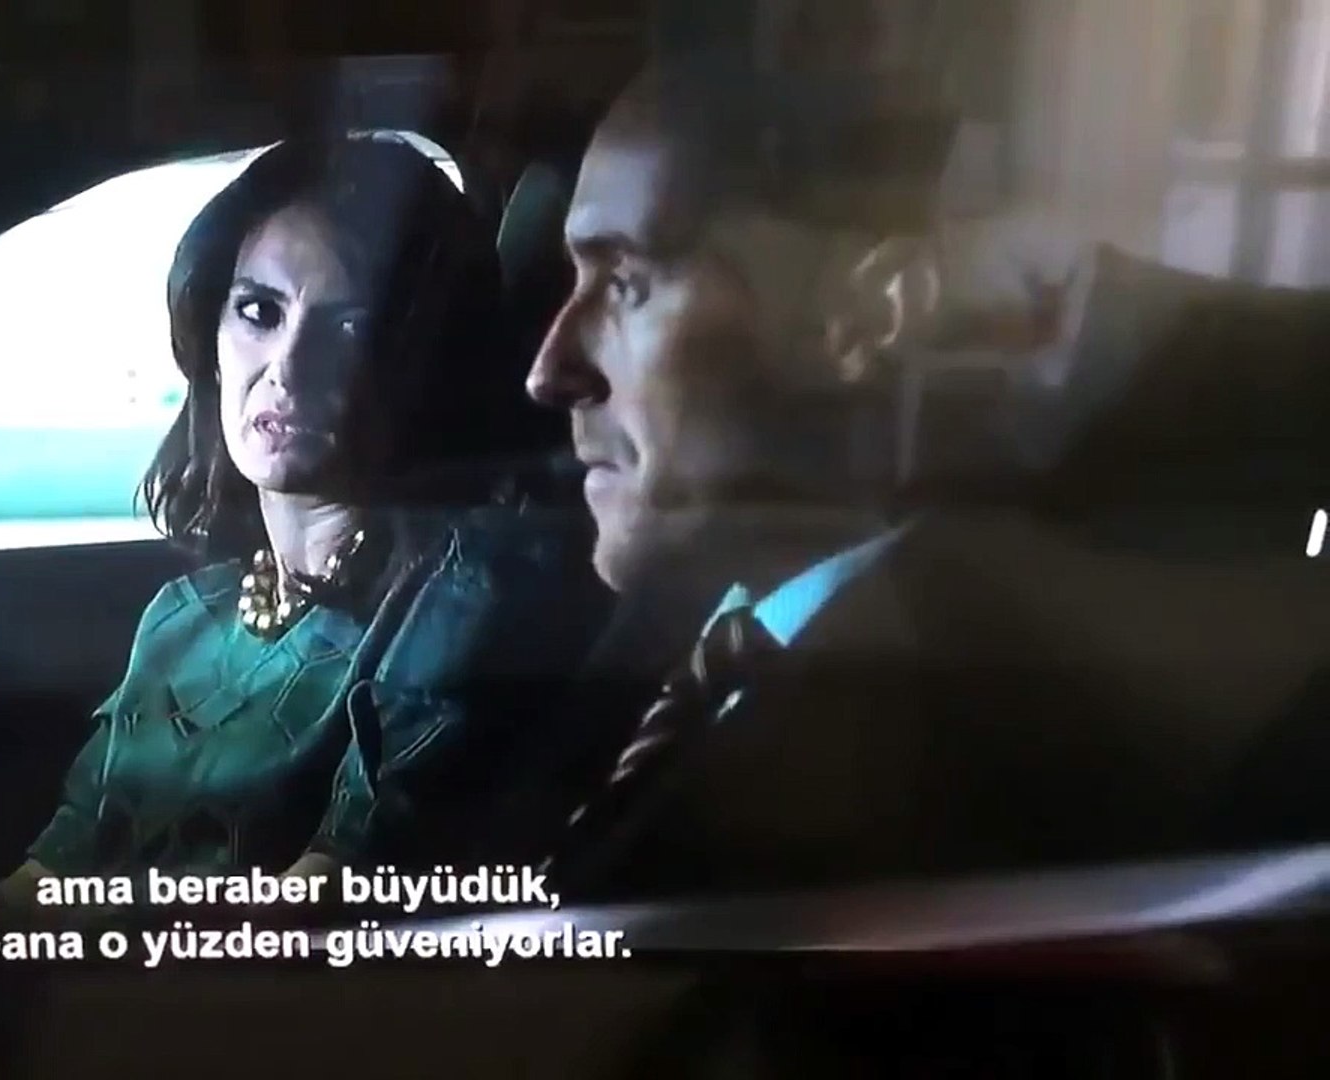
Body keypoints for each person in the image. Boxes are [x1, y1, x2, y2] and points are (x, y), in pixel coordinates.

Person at [517, 54, 1323, 902]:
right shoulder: (672, 632)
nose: (547, 370)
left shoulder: (974, 711)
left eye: (627, 283)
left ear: (870, 314)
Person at [0, 133, 602, 929]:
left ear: (425, 363)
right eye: (259, 312)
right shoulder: (182, 618)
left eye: (351, 328)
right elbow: (47, 876)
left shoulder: (461, 597)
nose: (287, 367)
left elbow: (320, 908)